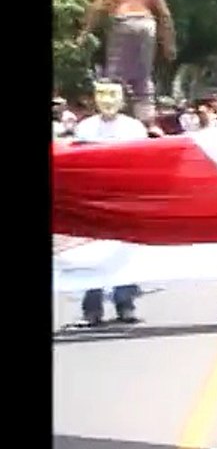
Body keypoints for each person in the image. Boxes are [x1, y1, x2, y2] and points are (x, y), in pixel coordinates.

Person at [74, 81, 149, 325]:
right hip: (93, 200)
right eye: (102, 95)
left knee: (123, 253)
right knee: (92, 254)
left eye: (112, 95)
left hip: (125, 198)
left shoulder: (134, 128)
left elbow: (143, 161)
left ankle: (125, 304)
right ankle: (92, 309)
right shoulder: (85, 128)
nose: (107, 101)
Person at [80, 0, 176, 125]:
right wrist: (169, 44)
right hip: (147, 24)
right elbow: (164, 14)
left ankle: (111, 123)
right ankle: (148, 123)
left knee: (115, 77)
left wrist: (85, 31)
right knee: (143, 77)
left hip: (123, 21)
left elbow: (99, 4)